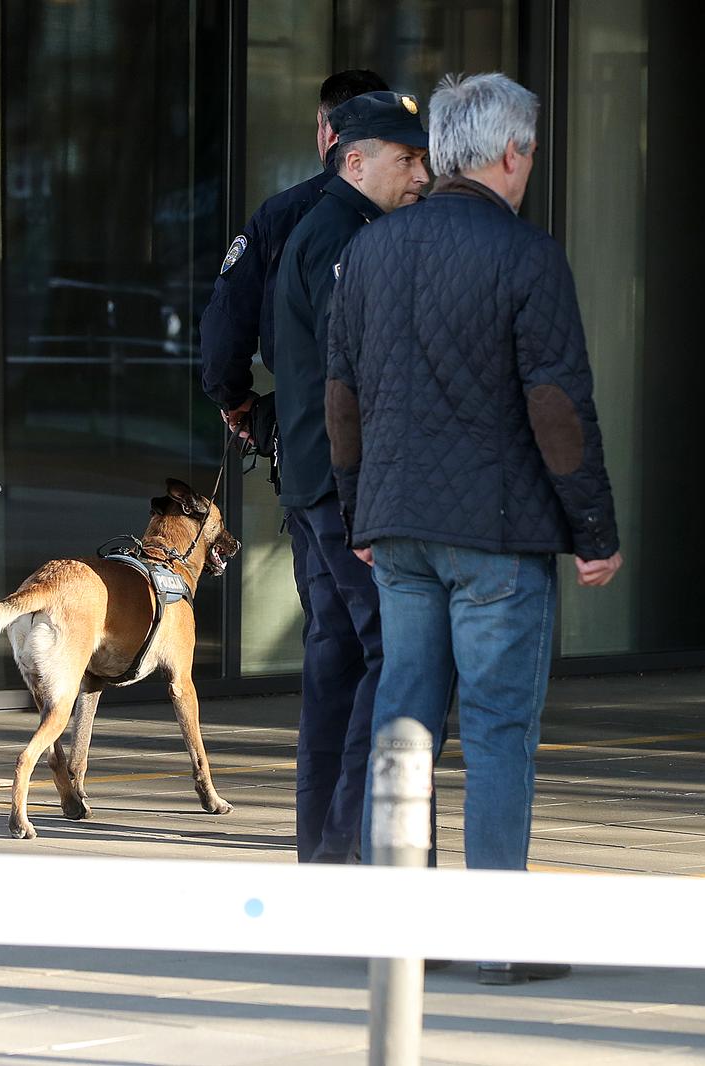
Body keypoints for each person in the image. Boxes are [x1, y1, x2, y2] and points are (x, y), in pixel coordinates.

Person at [326, 73, 621, 985]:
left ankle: (401, 931)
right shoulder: (527, 256)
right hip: (496, 533)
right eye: (530, 149)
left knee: (402, 721)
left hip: (397, 528)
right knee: (496, 730)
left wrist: (357, 510)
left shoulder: (369, 250)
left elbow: (340, 399)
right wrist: (594, 529)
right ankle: (498, 935)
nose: (530, 162)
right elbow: (556, 406)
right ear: (511, 154)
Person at [272, 90, 430, 863]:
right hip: (342, 487)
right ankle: (352, 845)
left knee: (335, 666)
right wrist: (369, 496)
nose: (421, 176)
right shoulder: (346, 237)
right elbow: (357, 373)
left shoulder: (324, 227)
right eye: (407, 160)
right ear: (356, 160)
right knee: (390, 660)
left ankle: (323, 852)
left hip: (316, 480)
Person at [199, 69, 389, 430]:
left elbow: (226, 323)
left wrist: (233, 397)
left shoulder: (282, 215)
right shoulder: (414, 212)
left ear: (328, 131)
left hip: (305, 417)